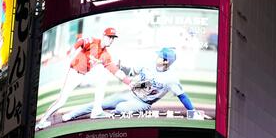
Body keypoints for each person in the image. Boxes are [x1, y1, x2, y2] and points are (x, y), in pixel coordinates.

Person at [61, 47, 200, 121]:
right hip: (130, 94)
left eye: (160, 55)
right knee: (99, 104)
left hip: (143, 103)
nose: (157, 56)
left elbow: (183, 96)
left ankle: (112, 114)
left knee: (120, 108)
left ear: (165, 61)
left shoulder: (171, 78)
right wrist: (120, 66)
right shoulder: (148, 64)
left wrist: (192, 112)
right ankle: (71, 115)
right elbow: (132, 72)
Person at [35, 27, 131, 131]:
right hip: (74, 73)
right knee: (61, 101)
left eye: (113, 38)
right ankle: (41, 123)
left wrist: (129, 83)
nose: (111, 40)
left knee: (102, 80)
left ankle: (97, 110)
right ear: (104, 36)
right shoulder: (94, 41)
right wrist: (71, 51)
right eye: (109, 37)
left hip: (84, 76)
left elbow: (115, 71)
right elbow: (81, 41)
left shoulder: (105, 55)